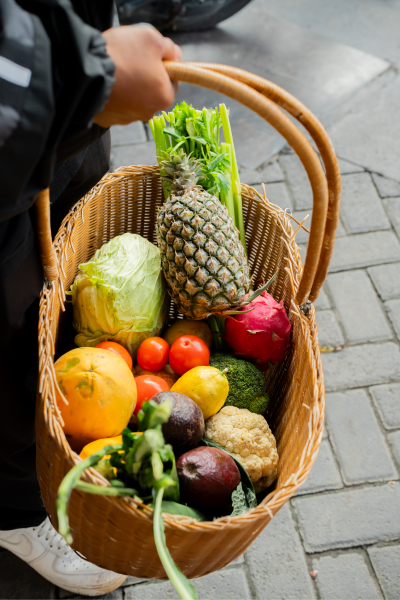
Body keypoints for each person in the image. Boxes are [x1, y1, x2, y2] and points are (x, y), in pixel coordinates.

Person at [0, 1, 181, 595]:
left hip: (67, 62)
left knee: (70, 234)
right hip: (22, 115)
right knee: (11, 331)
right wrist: (81, 74)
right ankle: (18, 514)